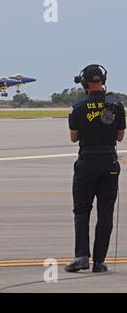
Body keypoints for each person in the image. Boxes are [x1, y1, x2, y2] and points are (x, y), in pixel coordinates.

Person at [66, 65, 125, 273]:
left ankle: (82, 256)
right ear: (103, 80)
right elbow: (120, 136)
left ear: (84, 83)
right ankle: (99, 261)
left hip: (87, 161)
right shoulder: (116, 104)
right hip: (109, 161)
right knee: (106, 211)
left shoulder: (78, 106)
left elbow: (74, 138)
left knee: (82, 210)